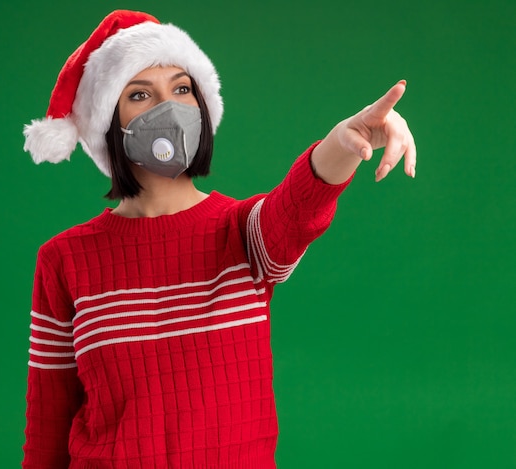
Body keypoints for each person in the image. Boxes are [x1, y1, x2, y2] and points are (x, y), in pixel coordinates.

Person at [21, 9, 416, 469]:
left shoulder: (242, 233)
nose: (167, 107)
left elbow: (296, 210)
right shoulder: (64, 259)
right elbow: (48, 423)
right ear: (108, 120)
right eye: (140, 94)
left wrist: (344, 142)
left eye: (182, 89)